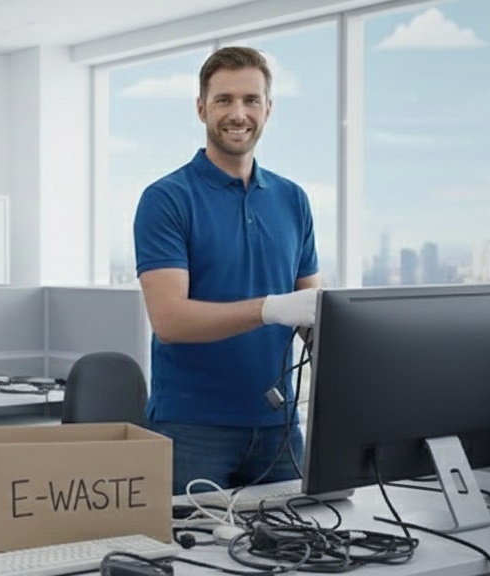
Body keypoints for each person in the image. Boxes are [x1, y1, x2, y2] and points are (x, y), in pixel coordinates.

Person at [132, 46, 322, 495]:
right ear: (201, 108)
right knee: (190, 557)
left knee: (295, 553)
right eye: (224, 100)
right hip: (192, 428)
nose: (238, 113)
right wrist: (271, 308)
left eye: (251, 100)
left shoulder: (292, 199)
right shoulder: (167, 199)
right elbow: (170, 320)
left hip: (279, 427)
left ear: (268, 109)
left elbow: (312, 315)